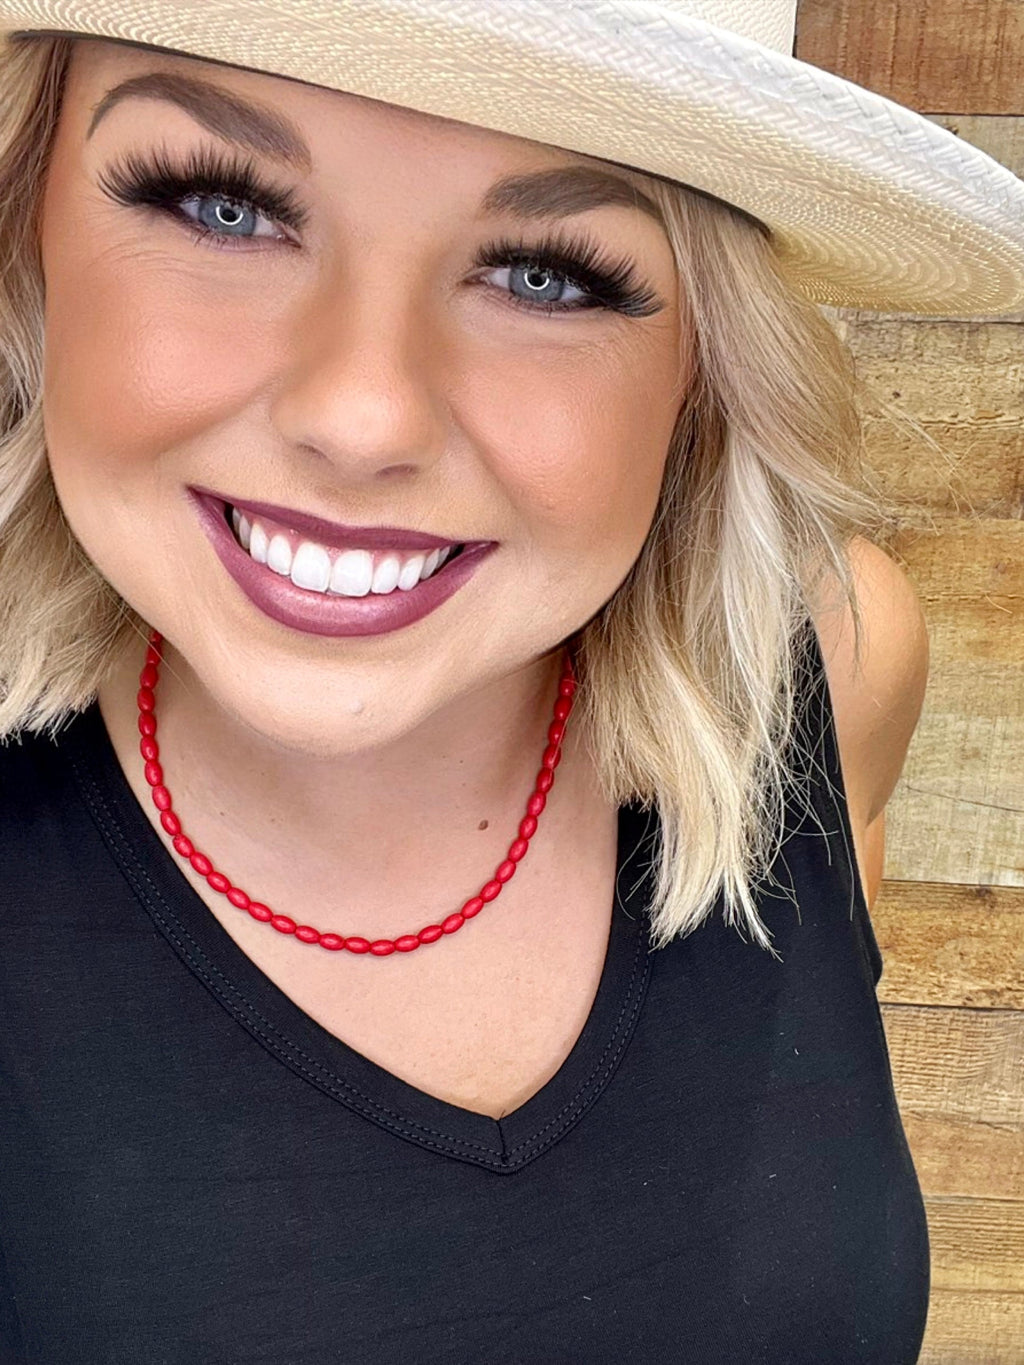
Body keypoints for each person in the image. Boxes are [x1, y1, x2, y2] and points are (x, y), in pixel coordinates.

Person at [0, 3, 1021, 1361]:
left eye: (546, 274)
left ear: (703, 361)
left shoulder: (821, 669)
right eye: (221, 206)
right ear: (26, 231)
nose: (363, 415)